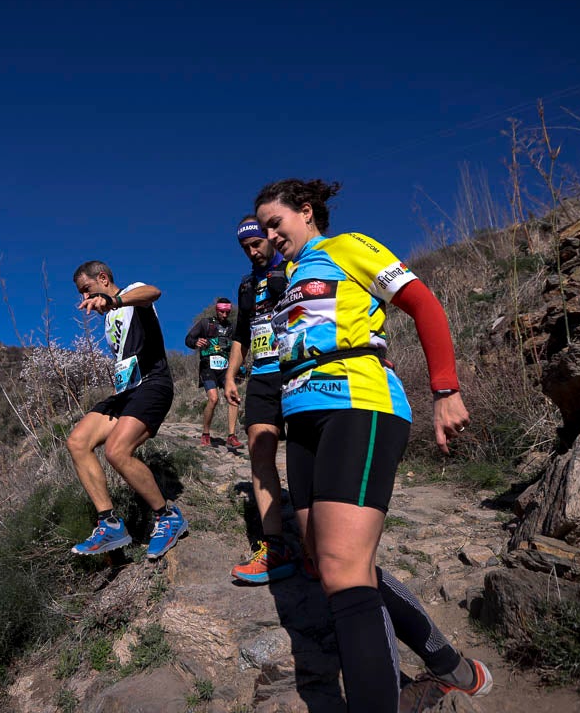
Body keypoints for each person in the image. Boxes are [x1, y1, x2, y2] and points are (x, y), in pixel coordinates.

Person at [254, 179, 492, 712]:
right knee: (330, 563)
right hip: (303, 422)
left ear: (306, 212)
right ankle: (452, 667)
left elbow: (422, 303)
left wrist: (445, 390)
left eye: (277, 222)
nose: (271, 235)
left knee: (342, 571)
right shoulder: (285, 280)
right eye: (264, 228)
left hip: (356, 406)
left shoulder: (347, 246)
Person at [65, 261, 188, 559]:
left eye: (87, 290)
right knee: (78, 442)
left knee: (117, 451)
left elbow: (153, 292)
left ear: (103, 279)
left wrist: (114, 299)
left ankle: (167, 517)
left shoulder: (132, 294)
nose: (85, 300)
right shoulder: (109, 320)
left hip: (153, 384)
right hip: (127, 392)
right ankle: (109, 523)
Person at [223, 216, 295, 583]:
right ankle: (275, 545)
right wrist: (231, 373)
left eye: (256, 244)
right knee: (259, 450)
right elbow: (242, 334)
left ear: (270, 237)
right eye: (245, 248)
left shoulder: (296, 266)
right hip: (263, 376)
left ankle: (318, 544)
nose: (252, 252)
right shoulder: (247, 284)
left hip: (300, 371)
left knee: (302, 455)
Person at [184, 298, 241, 449]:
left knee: (234, 398)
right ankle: (205, 433)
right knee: (213, 399)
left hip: (225, 368)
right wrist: (195, 342)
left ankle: (231, 436)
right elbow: (189, 339)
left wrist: (239, 367)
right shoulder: (206, 323)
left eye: (227, 312)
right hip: (208, 367)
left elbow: (239, 346)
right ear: (216, 310)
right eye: (222, 311)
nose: (224, 314)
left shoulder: (232, 327)